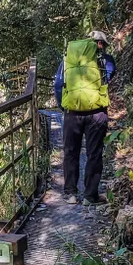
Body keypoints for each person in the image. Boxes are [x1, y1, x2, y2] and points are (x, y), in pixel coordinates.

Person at [53, 30, 116, 205]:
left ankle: (71, 194)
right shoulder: (106, 60)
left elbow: (58, 83)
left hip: (72, 113)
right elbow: (109, 76)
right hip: (97, 113)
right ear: (100, 44)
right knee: (94, 153)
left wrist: (65, 106)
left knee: (70, 152)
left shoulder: (68, 60)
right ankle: (90, 196)